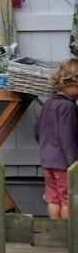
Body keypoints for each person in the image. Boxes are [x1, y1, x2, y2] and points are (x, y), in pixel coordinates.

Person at [35, 59, 78, 220]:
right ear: (67, 83)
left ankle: (54, 233)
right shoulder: (68, 107)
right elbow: (68, 138)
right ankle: (67, 235)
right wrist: (74, 164)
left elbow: (36, 127)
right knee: (68, 199)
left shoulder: (48, 104)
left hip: (48, 159)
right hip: (64, 162)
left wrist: (46, 147)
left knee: (53, 198)